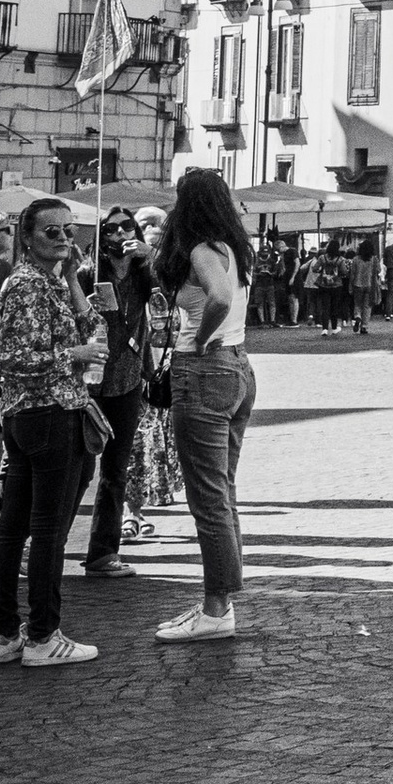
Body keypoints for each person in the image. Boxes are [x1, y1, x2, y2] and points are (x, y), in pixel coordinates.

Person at [0, 195, 105, 669]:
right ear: (27, 237)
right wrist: (69, 357)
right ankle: (41, 635)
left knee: (15, 527)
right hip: (45, 415)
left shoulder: (51, 283)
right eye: (51, 231)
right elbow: (8, 357)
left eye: (69, 230)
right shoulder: (26, 286)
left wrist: (73, 277)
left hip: (38, 415)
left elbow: (93, 326)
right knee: (45, 530)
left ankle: (5, 635)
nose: (62, 238)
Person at [152, 169, 259, 640]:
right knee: (223, 491)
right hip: (237, 367)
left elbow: (216, 297)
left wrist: (199, 339)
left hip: (205, 369)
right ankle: (220, 602)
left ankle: (216, 610)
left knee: (209, 498)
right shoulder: (232, 247)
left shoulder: (199, 249)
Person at [80, 208, 156, 579]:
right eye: (111, 228)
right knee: (75, 470)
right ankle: (41, 543)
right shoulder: (89, 274)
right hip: (89, 382)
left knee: (115, 471)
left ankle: (103, 553)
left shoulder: (144, 275)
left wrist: (151, 258)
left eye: (127, 226)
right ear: (102, 237)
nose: (120, 233)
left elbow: (168, 302)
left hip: (127, 381)